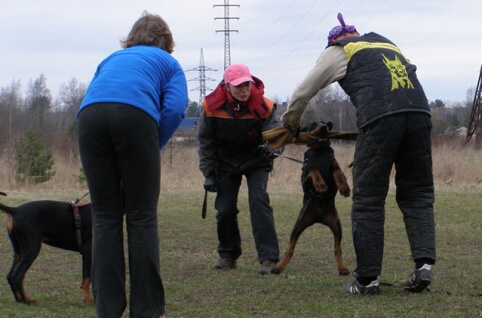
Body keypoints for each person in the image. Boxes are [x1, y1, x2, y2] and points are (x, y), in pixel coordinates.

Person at [279, 13, 436, 295]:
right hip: (420, 114)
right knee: (418, 193)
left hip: (380, 117)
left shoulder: (338, 50)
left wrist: (291, 123)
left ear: (335, 39)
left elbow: (303, 91)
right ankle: (424, 265)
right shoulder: (386, 43)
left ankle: (367, 281)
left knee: (368, 199)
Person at [77, 11, 187, 317]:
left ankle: (108, 310)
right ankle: (148, 310)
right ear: (166, 40)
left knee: (105, 217)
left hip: (89, 119)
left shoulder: (111, 59)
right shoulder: (169, 63)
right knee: (141, 216)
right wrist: (153, 145)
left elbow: (96, 95)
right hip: (136, 118)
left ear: (132, 37)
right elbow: (176, 109)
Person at [198, 63, 283, 275]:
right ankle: (228, 255)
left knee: (258, 201)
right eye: (238, 86)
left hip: (257, 160)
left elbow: (277, 135)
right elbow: (206, 141)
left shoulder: (265, 106)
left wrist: (274, 148)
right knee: (225, 208)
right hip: (225, 163)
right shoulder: (210, 107)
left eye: (247, 84)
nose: (244, 90)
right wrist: (208, 173)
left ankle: (269, 258)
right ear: (227, 87)